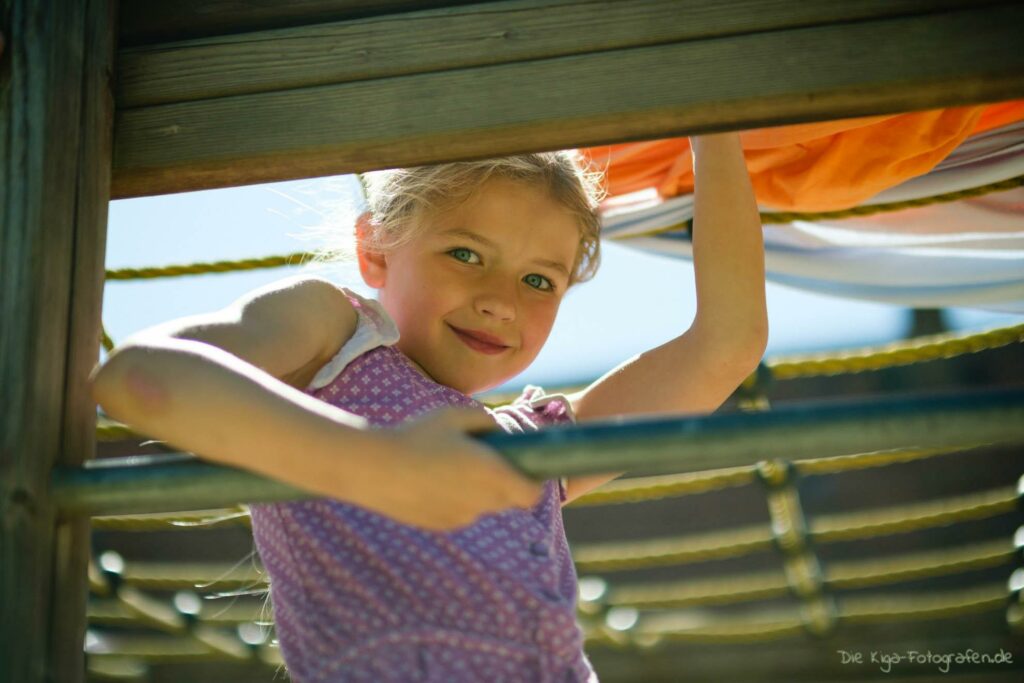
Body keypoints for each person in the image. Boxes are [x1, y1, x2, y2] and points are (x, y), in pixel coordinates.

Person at [90, 132, 767, 682]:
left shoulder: (529, 447)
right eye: (465, 252)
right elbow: (139, 376)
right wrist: (378, 463)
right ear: (375, 245)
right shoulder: (336, 335)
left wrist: (716, 130)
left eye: (539, 279)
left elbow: (727, 344)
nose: (501, 299)